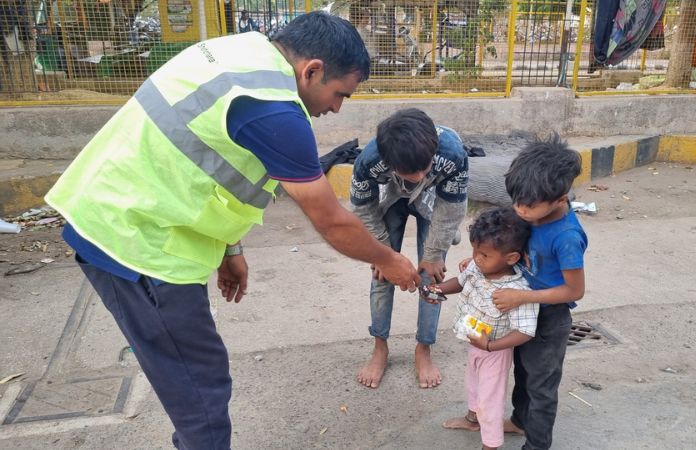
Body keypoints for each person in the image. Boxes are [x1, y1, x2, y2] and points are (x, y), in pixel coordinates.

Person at [44, 12, 419, 450]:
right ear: (311, 70)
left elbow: (202, 153)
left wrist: (228, 247)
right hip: (136, 243)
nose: (336, 108)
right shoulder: (275, 110)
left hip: (118, 213)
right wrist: (388, 259)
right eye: (339, 94)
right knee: (200, 391)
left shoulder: (237, 54)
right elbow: (331, 218)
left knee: (196, 379)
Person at [350, 108, 469, 389]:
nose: (417, 175)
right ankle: (380, 346)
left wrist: (434, 253)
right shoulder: (370, 160)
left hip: (435, 202)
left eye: (423, 168)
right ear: (389, 163)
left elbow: (451, 209)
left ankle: (424, 348)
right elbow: (363, 210)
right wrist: (382, 254)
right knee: (381, 273)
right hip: (389, 198)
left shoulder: (452, 153)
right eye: (409, 170)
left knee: (432, 276)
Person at [486, 134, 587, 449]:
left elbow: (575, 290)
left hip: (549, 318)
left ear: (559, 199)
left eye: (527, 206)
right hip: (523, 311)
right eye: (516, 201)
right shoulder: (530, 210)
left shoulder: (567, 236)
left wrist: (523, 297)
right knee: (522, 372)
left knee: (542, 387)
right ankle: (519, 421)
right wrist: (485, 257)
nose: (519, 210)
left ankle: (537, 443)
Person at [428, 207, 538, 450]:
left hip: (495, 352)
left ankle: (491, 445)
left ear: (511, 258)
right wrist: (437, 290)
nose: (476, 258)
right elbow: (460, 281)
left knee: (490, 401)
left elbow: (525, 331)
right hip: (476, 341)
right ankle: (472, 420)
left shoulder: (516, 291)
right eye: (475, 250)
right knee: (473, 385)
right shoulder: (479, 267)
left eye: (484, 254)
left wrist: (490, 346)